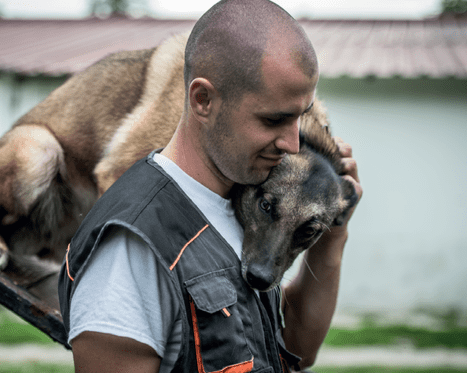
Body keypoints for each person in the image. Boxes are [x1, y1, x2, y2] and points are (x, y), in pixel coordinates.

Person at [58, 0, 363, 372]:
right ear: (203, 100)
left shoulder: (244, 206)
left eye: (300, 118)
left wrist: (334, 228)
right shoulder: (134, 247)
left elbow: (295, 348)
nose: (293, 144)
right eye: (272, 120)